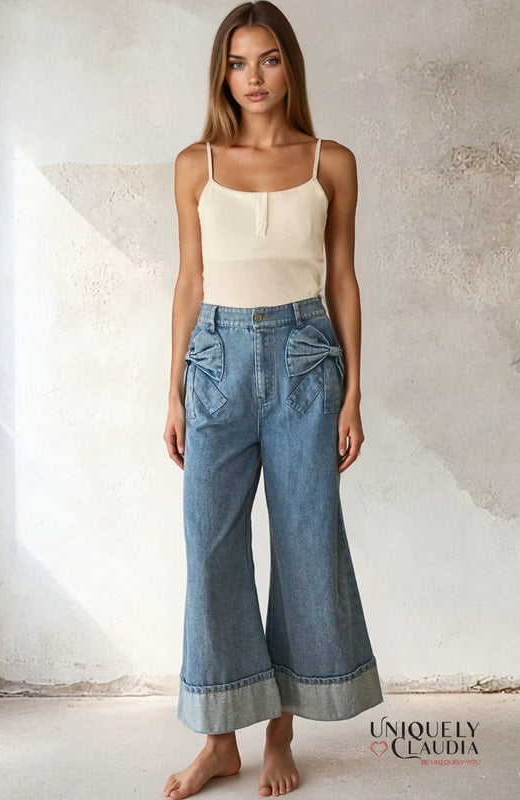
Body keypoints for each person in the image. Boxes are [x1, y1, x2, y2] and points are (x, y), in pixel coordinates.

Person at [162, 2, 383, 797]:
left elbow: (343, 279)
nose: (253, 78)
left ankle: (279, 733)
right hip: (216, 362)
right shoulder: (196, 163)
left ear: (289, 65)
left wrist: (354, 393)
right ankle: (220, 742)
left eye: (268, 60)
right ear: (222, 73)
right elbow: (190, 280)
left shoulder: (331, 160)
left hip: (304, 361)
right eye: (237, 62)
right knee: (209, 550)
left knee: (302, 543)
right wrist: (175, 388)